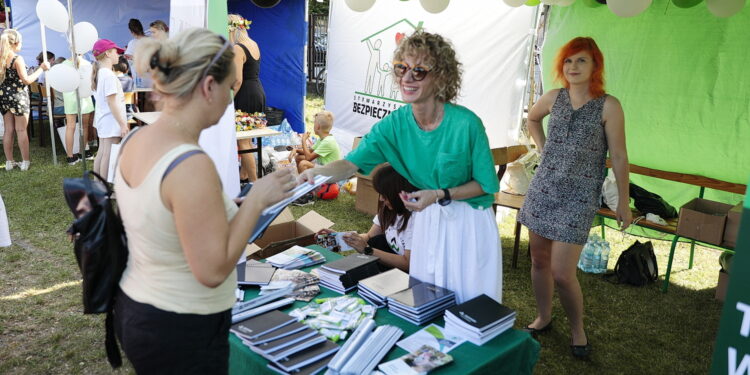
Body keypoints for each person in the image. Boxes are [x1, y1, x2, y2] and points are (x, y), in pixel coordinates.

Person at [114, 27, 294, 373]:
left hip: (139, 306)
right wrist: (256, 200)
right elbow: (211, 270)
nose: (231, 100)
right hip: (182, 325)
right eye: (231, 88)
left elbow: (162, 219)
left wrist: (230, 208)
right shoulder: (190, 164)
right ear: (209, 87)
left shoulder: (135, 140)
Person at [299, 31, 501, 304]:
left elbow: (486, 185)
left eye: (419, 70)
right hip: (429, 219)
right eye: (401, 68)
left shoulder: (466, 124)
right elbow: (349, 164)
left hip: (469, 222)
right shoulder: (394, 125)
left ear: (441, 76)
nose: (407, 78)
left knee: (471, 302)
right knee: (428, 298)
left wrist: (440, 194)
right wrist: (312, 175)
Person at [516, 37, 631, 359]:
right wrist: (542, 147)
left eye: (581, 61)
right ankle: (543, 317)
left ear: (595, 66)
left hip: (579, 198)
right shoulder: (554, 98)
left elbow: (619, 156)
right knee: (538, 260)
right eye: (568, 61)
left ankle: (577, 329)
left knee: (563, 273)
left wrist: (623, 202)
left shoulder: (609, 105)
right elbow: (532, 118)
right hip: (543, 189)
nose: (573, 67)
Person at [320, 165, 416, 272]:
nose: (381, 199)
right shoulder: (389, 210)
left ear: (399, 194)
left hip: (408, 273)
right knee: (377, 241)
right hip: (391, 259)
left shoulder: (416, 220)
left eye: (385, 195)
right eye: (380, 194)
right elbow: (369, 236)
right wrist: (340, 238)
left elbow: (408, 264)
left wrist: (368, 250)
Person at [0, 29, 50, 171]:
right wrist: (41, 69)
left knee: (8, 130)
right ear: (15, 43)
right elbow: (27, 80)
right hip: (18, 96)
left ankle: (9, 162)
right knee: (21, 130)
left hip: (3, 96)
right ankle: (25, 162)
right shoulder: (17, 59)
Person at [228, 14, 265, 184]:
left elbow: (237, 81)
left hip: (244, 95)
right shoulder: (253, 44)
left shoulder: (237, 48)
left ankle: (254, 183)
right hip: (257, 92)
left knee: (243, 143)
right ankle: (243, 176)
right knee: (248, 140)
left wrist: (228, 101)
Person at [91, 39, 128, 178]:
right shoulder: (108, 75)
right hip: (111, 120)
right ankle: (103, 189)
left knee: (102, 152)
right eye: (115, 52)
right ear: (107, 53)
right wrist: (123, 124)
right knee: (108, 154)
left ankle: (97, 185)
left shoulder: (100, 73)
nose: (118, 55)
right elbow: (113, 102)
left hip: (103, 119)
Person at [61, 55, 95, 165]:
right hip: (84, 96)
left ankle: (70, 157)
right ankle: (82, 152)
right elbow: (91, 82)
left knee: (70, 126)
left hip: (69, 98)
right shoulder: (87, 64)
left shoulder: (64, 64)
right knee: (84, 126)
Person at [123, 18, 150, 88]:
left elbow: (128, 60)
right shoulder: (152, 40)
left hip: (140, 80)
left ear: (132, 32)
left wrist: (130, 57)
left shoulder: (132, 43)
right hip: (153, 80)